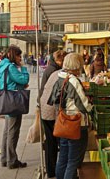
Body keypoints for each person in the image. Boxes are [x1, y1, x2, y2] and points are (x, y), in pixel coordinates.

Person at [48, 53, 92, 179]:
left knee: (63, 157)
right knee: (73, 161)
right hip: (76, 123)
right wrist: (91, 107)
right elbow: (84, 105)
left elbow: (52, 100)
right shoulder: (73, 81)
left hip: (63, 123)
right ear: (76, 65)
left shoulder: (60, 78)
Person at [0, 45, 29, 169]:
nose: (20, 58)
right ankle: (12, 161)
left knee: (7, 132)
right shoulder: (11, 67)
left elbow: (9, 81)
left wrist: (18, 84)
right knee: (13, 132)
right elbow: (23, 79)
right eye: (19, 55)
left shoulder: (2, 65)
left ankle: (4, 158)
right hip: (13, 101)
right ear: (14, 55)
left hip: (6, 100)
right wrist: (23, 69)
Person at [38, 50, 66, 178]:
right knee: (53, 142)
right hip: (50, 110)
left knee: (50, 141)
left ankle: (51, 170)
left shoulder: (52, 69)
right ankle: (52, 170)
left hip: (45, 107)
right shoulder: (56, 72)